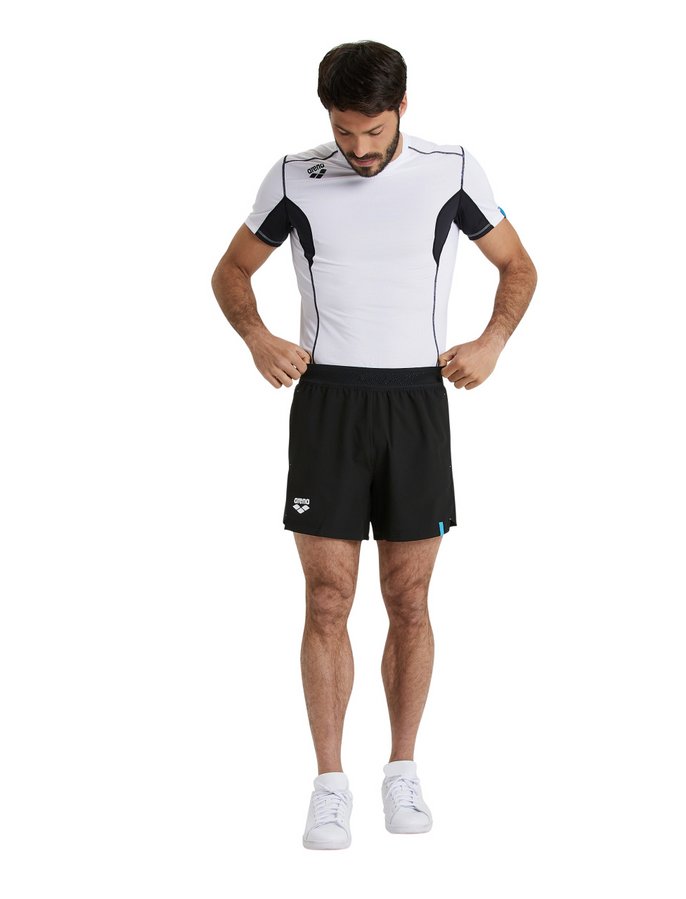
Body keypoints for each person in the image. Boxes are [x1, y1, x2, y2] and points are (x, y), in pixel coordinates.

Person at [211, 39, 537, 850]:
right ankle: (329, 783)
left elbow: (518, 266)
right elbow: (230, 271)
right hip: (327, 400)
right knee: (327, 597)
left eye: (373, 131)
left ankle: (403, 768)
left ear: (402, 108)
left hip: (416, 401)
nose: (358, 148)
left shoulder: (452, 169)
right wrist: (258, 337)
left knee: (409, 597)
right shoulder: (294, 177)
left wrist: (492, 341)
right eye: (344, 131)